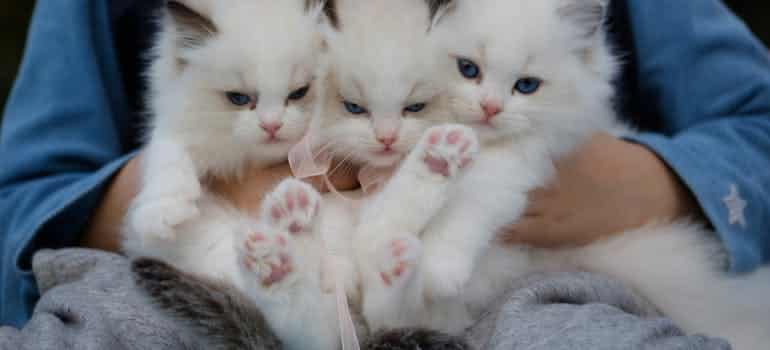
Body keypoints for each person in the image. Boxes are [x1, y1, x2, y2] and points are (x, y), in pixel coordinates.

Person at [1, 0, 768, 330]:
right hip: (214, 295)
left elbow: (758, 125)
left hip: (533, 286)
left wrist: (639, 182)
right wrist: (200, 175)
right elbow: (21, 200)